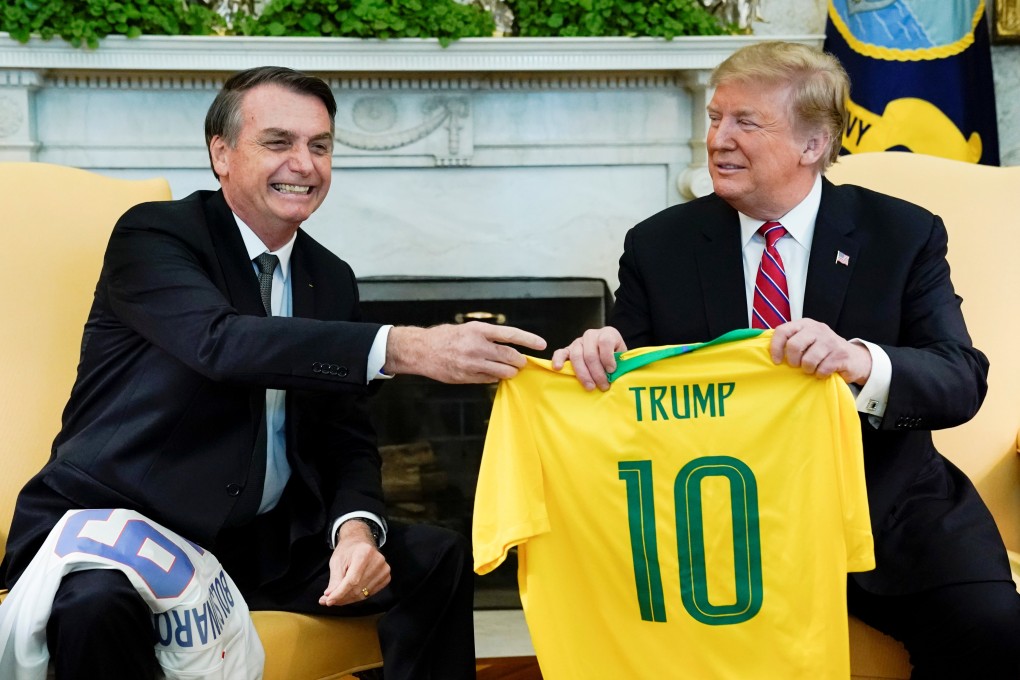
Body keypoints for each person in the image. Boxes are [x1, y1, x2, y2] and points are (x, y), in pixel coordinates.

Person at [0, 66, 546, 680]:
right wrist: (404, 347)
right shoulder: (153, 236)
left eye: (320, 146)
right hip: (121, 530)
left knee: (435, 558)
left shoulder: (329, 277)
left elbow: (344, 434)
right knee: (94, 608)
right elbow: (220, 343)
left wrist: (356, 532)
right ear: (222, 154)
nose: (304, 164)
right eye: (278, 142)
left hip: (258, 543)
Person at [552, 41, 1020, 678]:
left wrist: (858, 361)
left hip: (884, 502)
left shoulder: (902, 234)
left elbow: (960, 378)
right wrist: (599, 356)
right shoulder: (659, 245)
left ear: (812, 143)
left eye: (747, 122)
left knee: (992, 626)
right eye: (715, 118)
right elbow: (627, 383)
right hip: (718, 522)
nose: (719, 139)